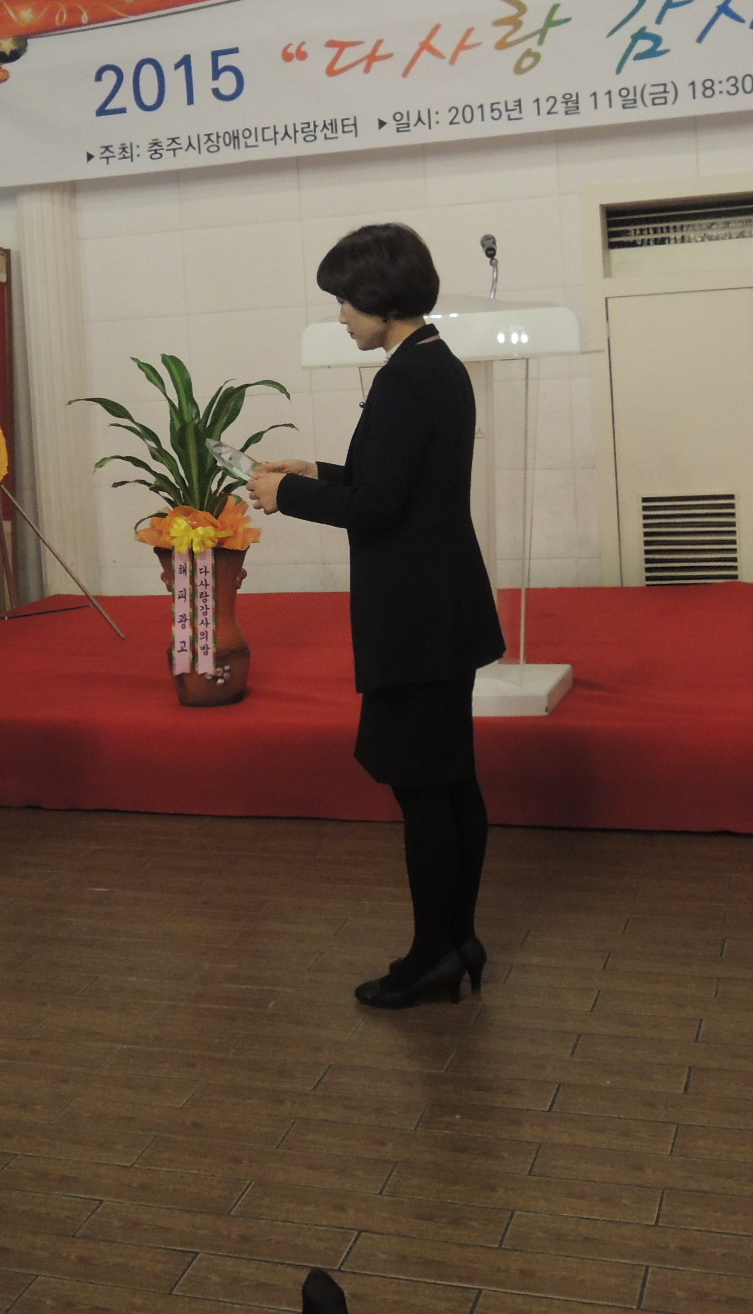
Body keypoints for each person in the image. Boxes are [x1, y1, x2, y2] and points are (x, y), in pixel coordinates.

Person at [251, 223, 504, 1009]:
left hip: (416, 616)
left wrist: (285, 495)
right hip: (443, 605)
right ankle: (458, 939)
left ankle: (433, 956)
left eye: (344, 300)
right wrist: (314, 469)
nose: (340, 315)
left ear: (380, 298)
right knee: (451, 781)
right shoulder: (435, 363)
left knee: (424, 791)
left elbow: (381, 506)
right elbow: (395, 481)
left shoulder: (405, 379)